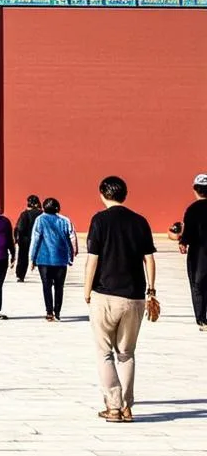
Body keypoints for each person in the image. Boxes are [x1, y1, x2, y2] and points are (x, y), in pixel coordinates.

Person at [85, 175, 157, 422]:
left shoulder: (99, 221)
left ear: (102, 193)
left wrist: (86, 290)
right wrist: (151, 290)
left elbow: (93, 258)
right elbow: (149, 258)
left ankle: (114, 407)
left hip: (105, 294)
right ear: (124, 194)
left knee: (104, 352)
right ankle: (127, 407)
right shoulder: (140, 222)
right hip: (135, 297)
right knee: (127, 353)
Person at [29, 197, 78, 320]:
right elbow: (72, 238)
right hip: (61, 259)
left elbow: (35, 239)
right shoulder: (65, 220)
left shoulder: (40, 220)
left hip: (43, 259)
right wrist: (72, 254)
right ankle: (57, 312)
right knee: (59, 286)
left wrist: (32, 258)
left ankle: (49, 312)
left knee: (46, 285)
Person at [179, 172, 207, 331]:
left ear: (195, 189)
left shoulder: (192, 209)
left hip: (199, 254)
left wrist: (182, 242)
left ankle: (202, 319)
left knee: (198, 286)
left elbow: (188, 232)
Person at [14, 195, 43, 282]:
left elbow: (20, 228)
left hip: (25, 240)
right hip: (39, 240)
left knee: (23, 257)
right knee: (42, 257)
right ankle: (46, 276)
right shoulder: (42, 214)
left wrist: (16, 238)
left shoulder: (25, 214)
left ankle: (20, 275)